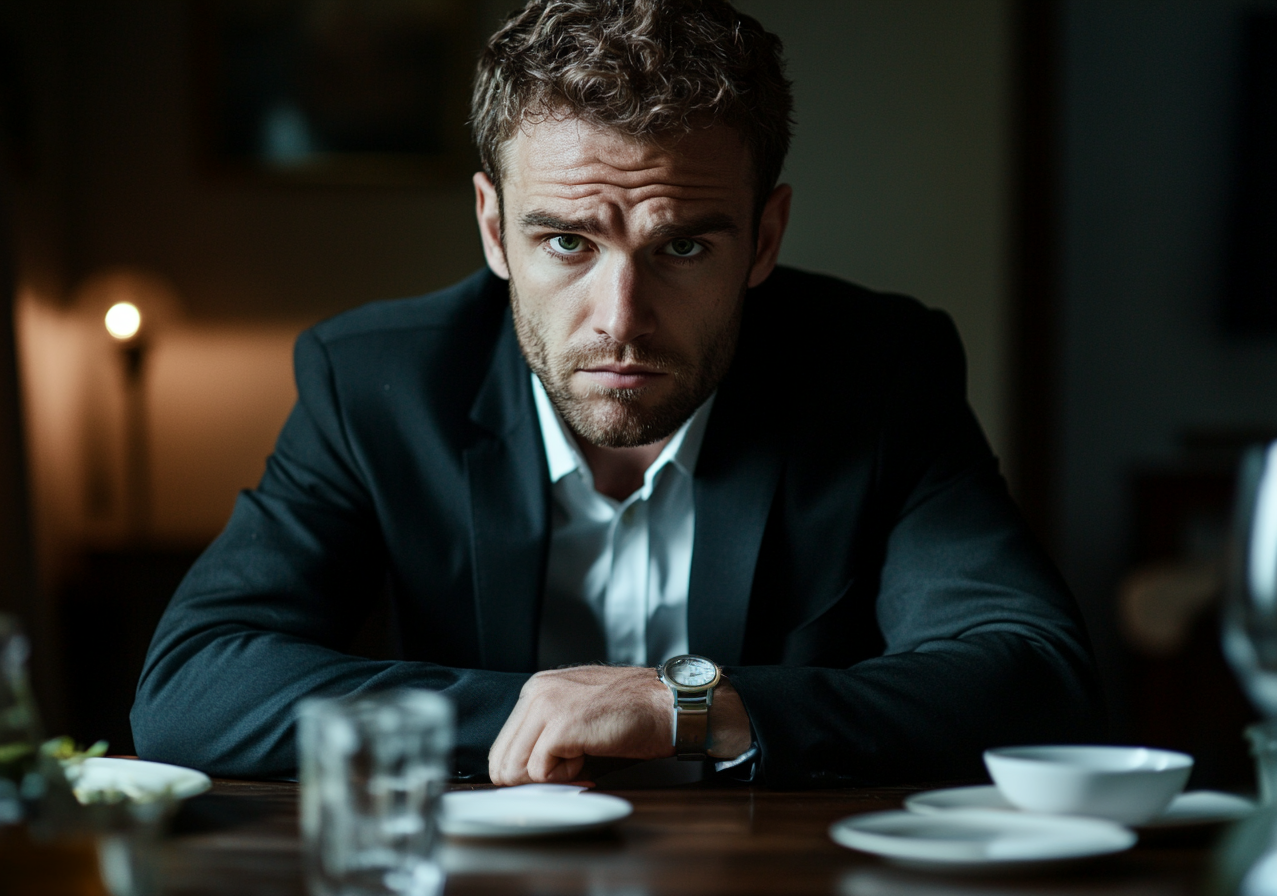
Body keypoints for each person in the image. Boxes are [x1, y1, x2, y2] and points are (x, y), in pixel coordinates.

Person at [131, 0, 1099, 789]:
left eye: (682, 245)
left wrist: (688, 706)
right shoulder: (376, 384)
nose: (620, 316)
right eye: (567, 242)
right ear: (493, 227)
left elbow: (1033, 675)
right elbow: (194, 684)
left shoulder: (879, 372)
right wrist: (531, 709)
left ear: (765, 237)